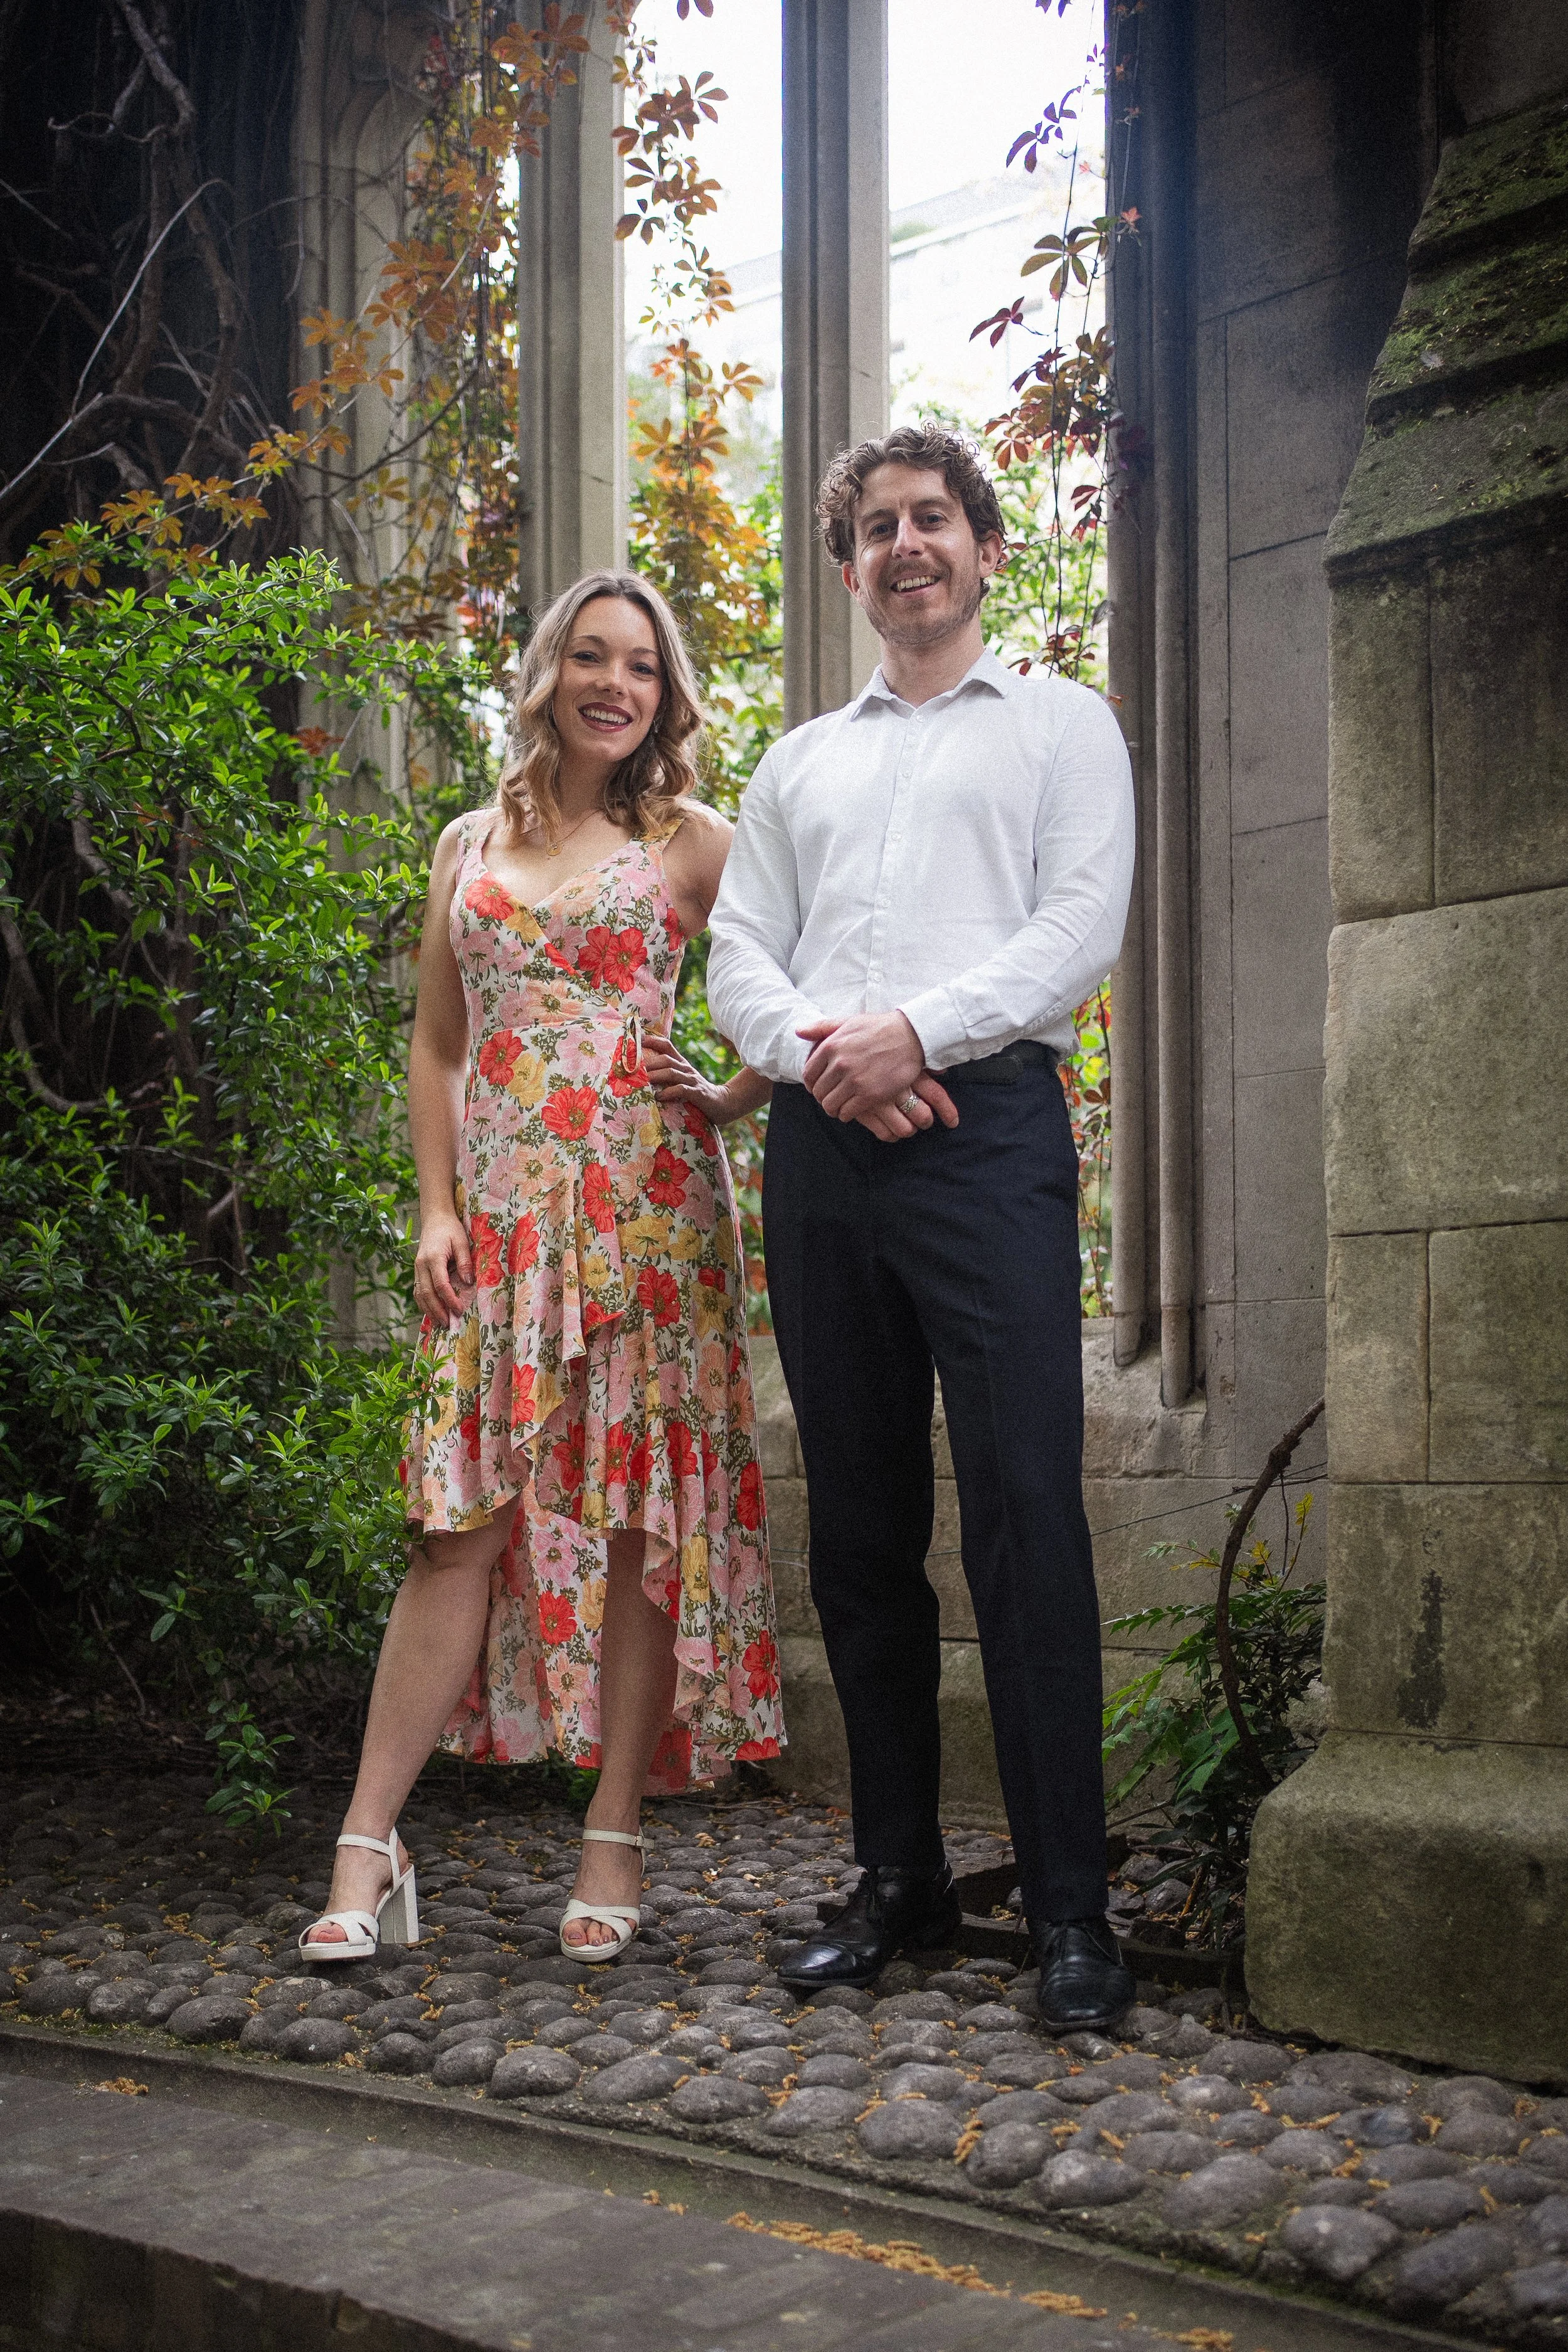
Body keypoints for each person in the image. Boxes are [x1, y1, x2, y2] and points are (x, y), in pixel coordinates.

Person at [707, 422, 1136, 2030]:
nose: (906, 545)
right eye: (877, 526)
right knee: (861, 1533)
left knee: (1028, 1513)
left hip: (987, 1144)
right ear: (849, 568)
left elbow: (1074, 930)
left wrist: (914, 1036)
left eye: (932, 518)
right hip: (821, 1157)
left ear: (981, 545)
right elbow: (741, 952)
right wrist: (828, 1054)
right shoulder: (797, 763)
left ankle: (1070, 1913)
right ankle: (896, 1884)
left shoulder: (1059, 726)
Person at [299, 569, 781, 1966]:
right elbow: (438, 1046)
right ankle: (368, 1842)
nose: (613, 684)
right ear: (550, 672)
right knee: (457, 1525)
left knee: (639, 1529)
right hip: (499, 1231)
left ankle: (613, 1833)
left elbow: (794, 985)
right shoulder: (468, 845)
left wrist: (738, 1095)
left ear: (664, 692)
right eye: (590, 656)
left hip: (646, 1218)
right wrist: (433, 1208)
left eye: (639, 664)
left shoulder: (694, 842)